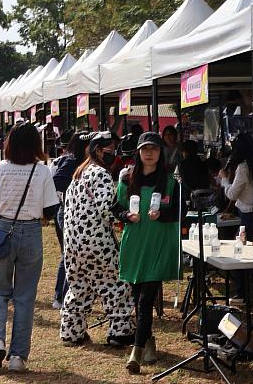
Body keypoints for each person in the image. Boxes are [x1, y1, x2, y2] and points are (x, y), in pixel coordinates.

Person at [0, 123, 60, 373]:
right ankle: (18, 356)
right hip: (31, 232)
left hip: (3, 230)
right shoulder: (42, 170)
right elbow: (51, 209)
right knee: (25, 297)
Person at [113, 132, 181, 374]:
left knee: (144, 302)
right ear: (138, 153)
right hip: (134, 246)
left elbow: (177, 214)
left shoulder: (171, 182)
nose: (149, 153)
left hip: (158, 247)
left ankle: (137, 352)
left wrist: (162, 215)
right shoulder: (127, 179)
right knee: (138, 299)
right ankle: (149, 342)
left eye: (154, 148)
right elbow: (116, 208)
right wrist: (126, 216)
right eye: (145, 149)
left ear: (160, 152)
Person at [60, 131, 136, 347]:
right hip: (97, 243)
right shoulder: (100, 174)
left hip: (74, 244)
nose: (113, 154)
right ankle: (120, 333)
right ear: (96, 151)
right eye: (109, 150)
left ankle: (71, 333)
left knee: (79, 289)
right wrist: (127, 215)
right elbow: (107, 207)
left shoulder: (78, 174)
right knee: (116, 286)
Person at [49, 130, 88, 310]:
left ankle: (67, 294)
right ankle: (60, 295)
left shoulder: (77, 160)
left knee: (72, 254)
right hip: (66, 211)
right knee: (68, 254)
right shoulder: (71, 161)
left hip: (74, 211)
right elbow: (56, 181)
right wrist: (75, 187)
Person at [220, 133, 253, 238]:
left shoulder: (243, 168)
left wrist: (224, 179)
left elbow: (232, 194)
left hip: (249, 214)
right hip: (251, 212)